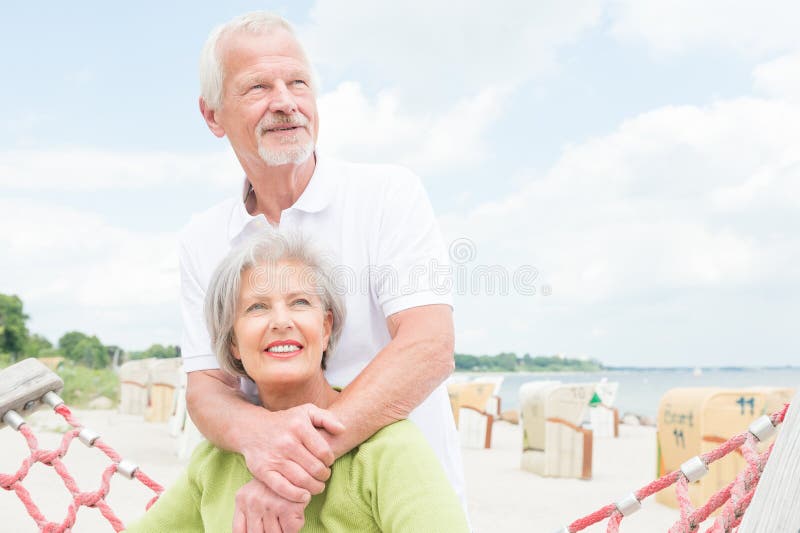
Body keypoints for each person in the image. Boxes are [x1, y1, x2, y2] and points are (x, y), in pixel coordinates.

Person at [181, 11, 465, 531]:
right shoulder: (202, 237)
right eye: (258, 87)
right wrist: (259, 441)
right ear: (213, 115)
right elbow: (206, 389)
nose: (285, 102)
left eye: (298, 83)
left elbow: (428, 346)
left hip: (399, 505)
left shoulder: (388, 194)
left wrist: (289, 466)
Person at [128, 231, 469, 532]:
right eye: (257, 307)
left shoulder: (390, 450)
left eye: (300, 302)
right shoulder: (214, 460)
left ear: (325, 328)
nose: (281, 321)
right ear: (233, 343)